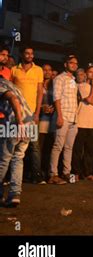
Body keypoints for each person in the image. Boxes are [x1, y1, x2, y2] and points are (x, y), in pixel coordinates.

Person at [11, 46, 44, 184]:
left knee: (34, 146)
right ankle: (12, 177)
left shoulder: (38, 70)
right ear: (22, 54)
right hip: (16, 113)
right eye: (27, 53)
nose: (30, 55)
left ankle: (36, 176)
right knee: (13, 145)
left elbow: (40, 92)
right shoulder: (14, 70)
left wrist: (37, 113)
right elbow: (10, 91)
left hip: (31, 114)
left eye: (32, 53)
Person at [0, 76, 35, 207]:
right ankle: (15, 194)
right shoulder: (9, 83)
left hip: (17, 123)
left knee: (4, 159)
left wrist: (19, 123)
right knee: (18, 158)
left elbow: (13, 99)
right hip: (29, 122)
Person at [48, 55, 79, 185]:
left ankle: (66, 173)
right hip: (64, 116)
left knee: (69, 147)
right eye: (71, 63)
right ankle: (52, 174)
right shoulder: (59, 78)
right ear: (65, 64)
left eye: (76, 63)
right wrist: (59, 116)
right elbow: (57, 97)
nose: (74, 65)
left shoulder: (73, 79)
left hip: (73, 118)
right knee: (58, 146)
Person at [72, 64, 93, 181]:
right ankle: (75, 173)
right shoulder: (80, 86)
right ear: (86, 73)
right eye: (90, 72)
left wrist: (92, 98)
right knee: (77, 150)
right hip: (80, 122)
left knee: (90, 150)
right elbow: (88, 99)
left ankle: (88, 173)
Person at [38, 64, 56, 179]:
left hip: (51, 120)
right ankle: (36, 171)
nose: (47, 72)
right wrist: (41, 108)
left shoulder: (54, 85)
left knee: (48, 148)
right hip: (39, 119)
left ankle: (45, 172)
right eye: (45, 70)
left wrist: (53, 108)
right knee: (38, 147)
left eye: (49, 70)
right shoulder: (38, 84)